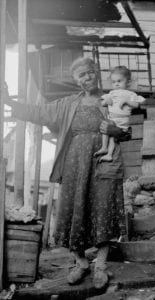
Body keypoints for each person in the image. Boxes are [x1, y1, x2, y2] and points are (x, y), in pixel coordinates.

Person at [5, 57, 130, 288]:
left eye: (89, 73)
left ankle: (100, 266)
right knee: (74, 208)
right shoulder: (68, 103)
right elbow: (39, 112)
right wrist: (11, 104)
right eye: (81, 75)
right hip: (74, 163)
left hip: (103, 160)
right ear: (76, 80)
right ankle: (81, 263)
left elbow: (126, 128)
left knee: (105, 208)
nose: (86, 78)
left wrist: (117, 130)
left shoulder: (112, 99)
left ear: (96, 73)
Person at [95, 66, 145, 162]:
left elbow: (136, 104)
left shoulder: (130, 94)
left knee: (112, 133)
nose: (116, 84)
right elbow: (102, 103)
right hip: (112, 118)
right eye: (114, 82)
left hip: (122, 121)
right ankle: (107, 151)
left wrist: (126, 101)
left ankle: (108, 151)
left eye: (119, 81)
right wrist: (107, 101)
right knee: (107, 130)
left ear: (128, 82)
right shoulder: (112, 93)